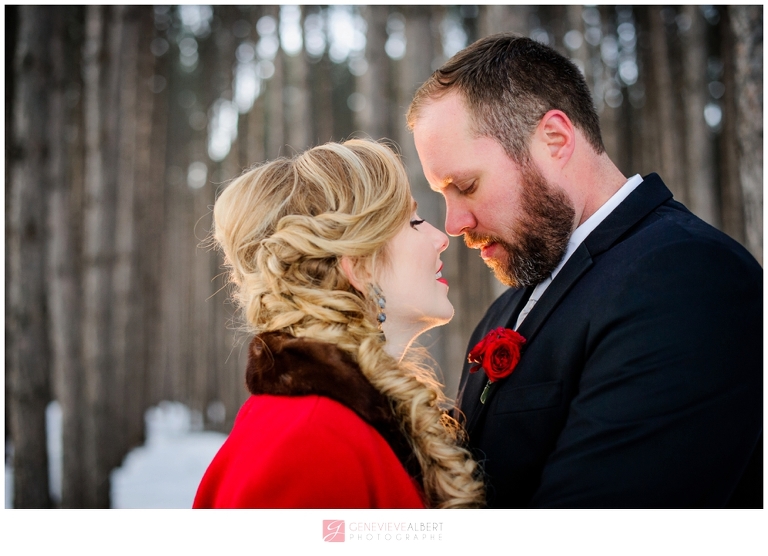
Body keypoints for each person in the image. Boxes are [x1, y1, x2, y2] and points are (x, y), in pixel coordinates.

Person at [407, 33, 762, 508]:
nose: (453, 224)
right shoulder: (506, 307)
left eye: (466, 186)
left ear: (555, 138)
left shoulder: (691, 278)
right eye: (441, 194)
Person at [193, 139, 485, 509]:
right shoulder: (309, 443)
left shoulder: (338, 421)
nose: (441, 238)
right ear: (358, 265)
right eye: (412, 222)